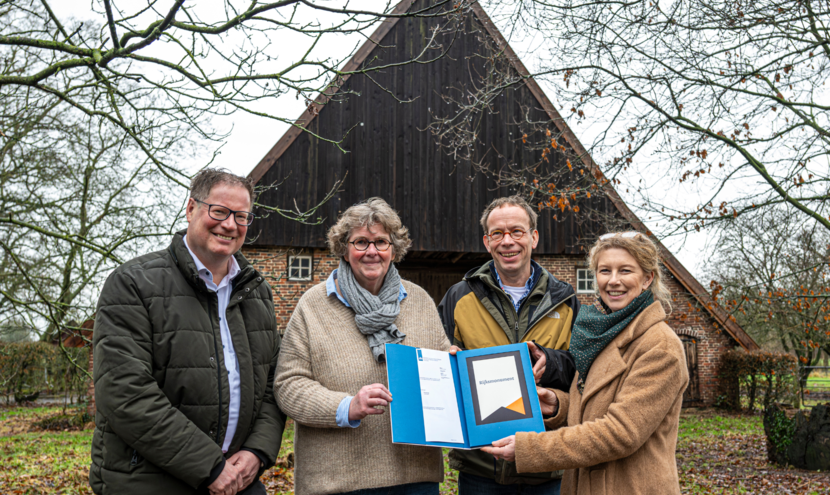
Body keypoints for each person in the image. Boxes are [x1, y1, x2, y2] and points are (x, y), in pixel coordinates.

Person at [90, 169, 285, 495]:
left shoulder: (256, 292)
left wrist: (257, 452)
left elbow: (271, 387)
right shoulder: (134, 283)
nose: (230, 225)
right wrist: (208, 466)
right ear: (191, 209)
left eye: (241, 216)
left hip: (239, 481)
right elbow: (125, 392)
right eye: (219, 211)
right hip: (149, 480)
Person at [481, 232, 689, 495]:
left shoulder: (660, 346)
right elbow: (594, 409)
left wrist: (529, 448)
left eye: (625, 270)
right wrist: (558, 405)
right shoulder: (602, 333)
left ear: (648, 278)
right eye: (605, 270)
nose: (613, 281)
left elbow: (620, 433)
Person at [275, 197, 455, 495]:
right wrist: (346, 406)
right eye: (361, 242)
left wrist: (452, 369)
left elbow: (440, 367)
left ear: (393, 250)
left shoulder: (419, 300)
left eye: (381, 242)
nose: (371, 251)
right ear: (344, 249)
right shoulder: (314, 305)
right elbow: (288, 386)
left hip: (415, 478)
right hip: (336, 482)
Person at [437, 195, 580, 495]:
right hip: (481, 468)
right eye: (498, 234)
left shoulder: (565, 301)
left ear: (533, 237)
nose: (508, 242)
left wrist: (549, 361)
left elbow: (583, 372)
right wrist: (445, 363)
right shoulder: (458, 297)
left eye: (517, 231)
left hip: (547, 466)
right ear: (487, 242)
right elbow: (437, 363)